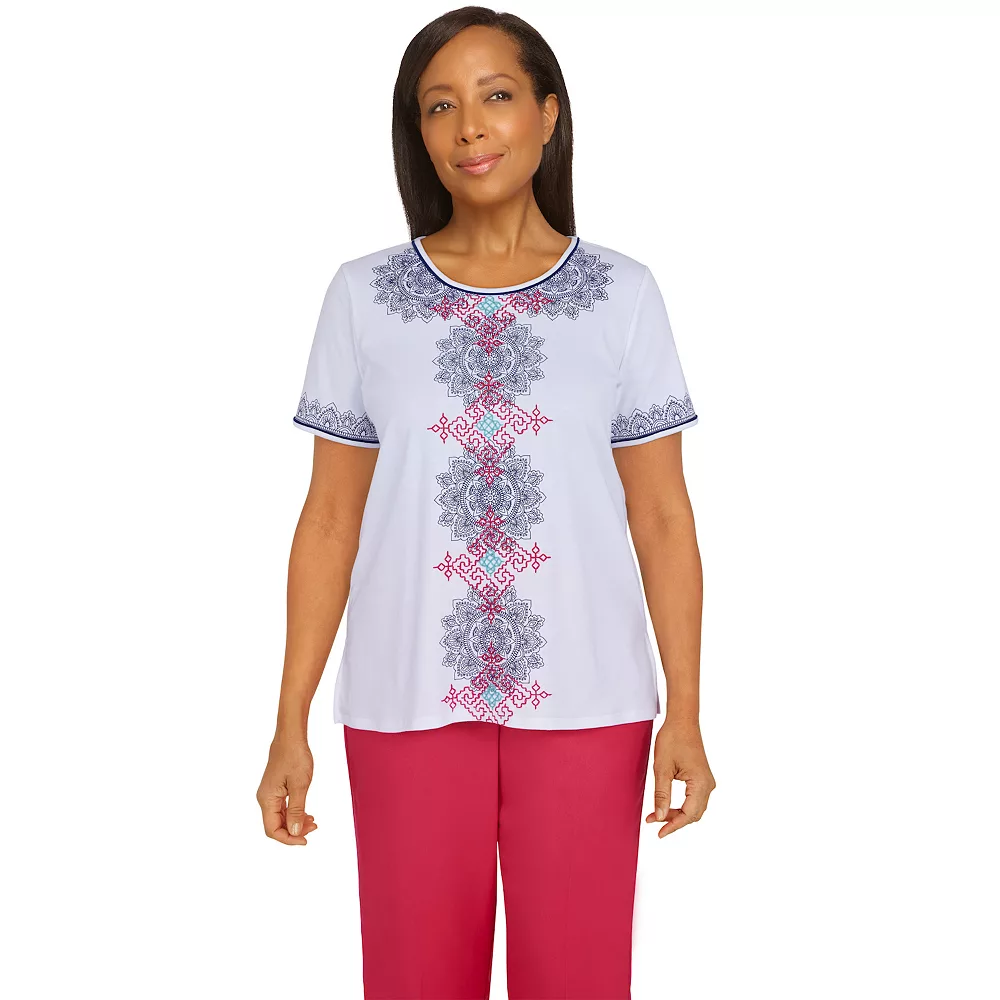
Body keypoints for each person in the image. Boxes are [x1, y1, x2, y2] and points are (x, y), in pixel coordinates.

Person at [257, 7, 716, 998]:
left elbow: (663, 518)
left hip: (591, 703)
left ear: (548, 114)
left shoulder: (623, 295)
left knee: (579, 981)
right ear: (417, 133)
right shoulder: (364, 297)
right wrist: (288, 717)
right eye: (439, 106)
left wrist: (685, 709)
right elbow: (329, 519)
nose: (469, 126)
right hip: (404, 700)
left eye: (496, 96)